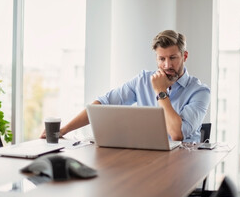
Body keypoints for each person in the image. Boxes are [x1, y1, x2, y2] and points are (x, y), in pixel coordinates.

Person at [41, 30, 210, 143]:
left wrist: (160, 92)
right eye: (161, 59)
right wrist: (63, 130)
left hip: (181, 165)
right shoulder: (143, 80)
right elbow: (103, 104)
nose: (166, 65)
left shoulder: (200, 92)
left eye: (173, 58)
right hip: (146, 159)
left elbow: (176, 134)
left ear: (184, 56)